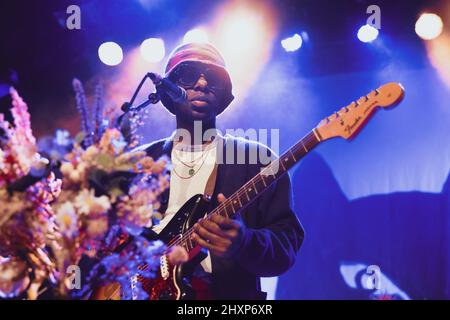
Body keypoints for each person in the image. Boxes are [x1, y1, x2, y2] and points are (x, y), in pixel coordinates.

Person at [139, 42, 304, 299]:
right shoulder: (139, 162)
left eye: (214, 78)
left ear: (225, 94)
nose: (202, 84)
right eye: (188, 75)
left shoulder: (258, 160)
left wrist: (245, 242)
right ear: (167, 89)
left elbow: (286, 249)